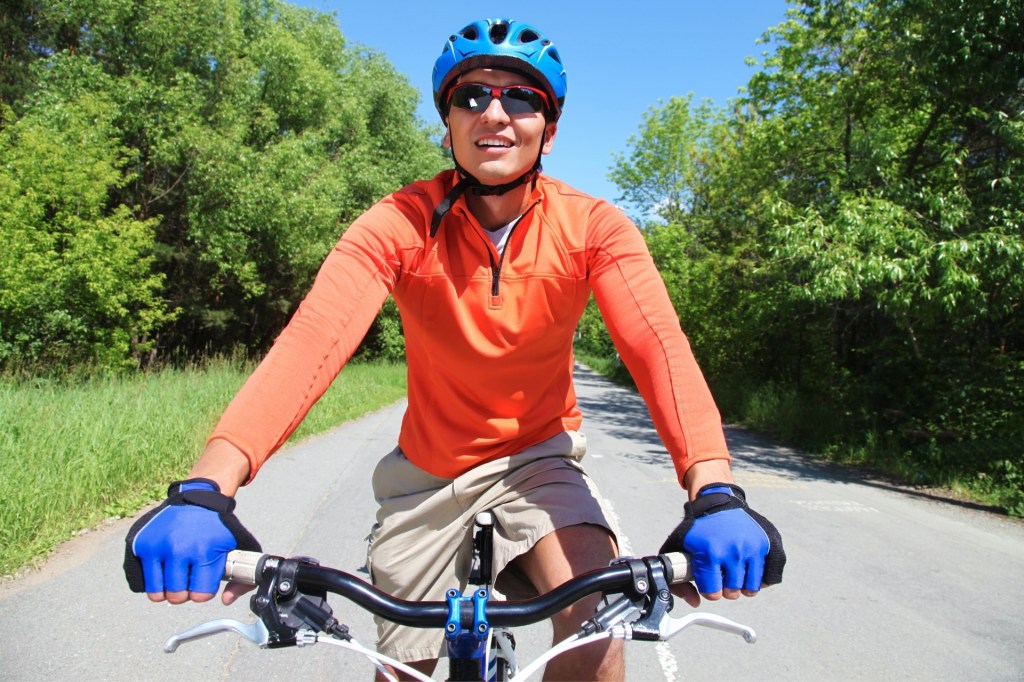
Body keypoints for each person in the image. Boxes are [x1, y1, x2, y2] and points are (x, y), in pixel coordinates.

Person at [124, 18, 785, 681]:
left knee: (597, 629)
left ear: (549, 131)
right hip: (427, 474)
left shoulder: (593, 227)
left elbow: (656, 345)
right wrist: (207, 488)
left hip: (538, 459)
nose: (494, 113)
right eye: (472, 96)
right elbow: (312, 341)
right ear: (449, 126)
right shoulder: (400, 221)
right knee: (400, 669)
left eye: (520, 97)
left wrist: (713, 487)